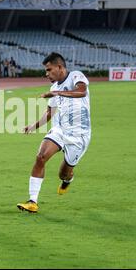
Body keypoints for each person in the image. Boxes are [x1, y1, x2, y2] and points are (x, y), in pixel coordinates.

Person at [17, 52, 91, 213]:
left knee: (63, 173)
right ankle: (32, 201)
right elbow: (50, 113)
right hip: (60, 129)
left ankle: (68, 179)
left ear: (59, 67)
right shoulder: (54, 88)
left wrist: (56, 93)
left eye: (49, 70)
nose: (47, 74)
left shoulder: (75, 76)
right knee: (40, 157)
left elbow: (81, 92)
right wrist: (33, 126)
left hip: (79, 135)